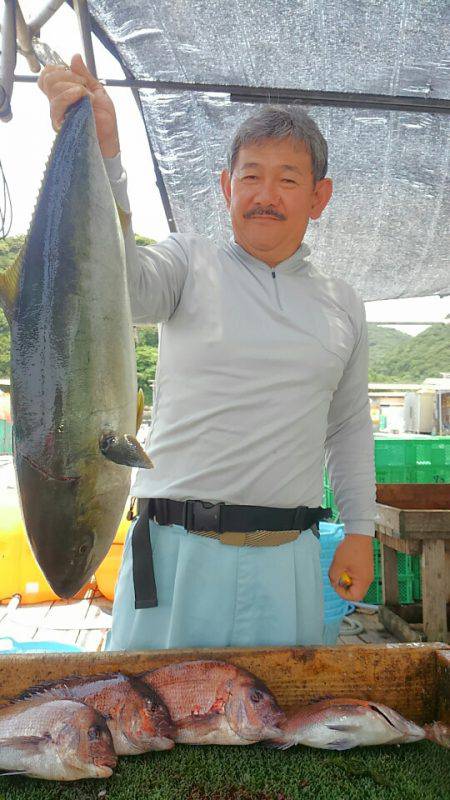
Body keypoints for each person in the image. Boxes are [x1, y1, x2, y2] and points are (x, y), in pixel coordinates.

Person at [38, 55, 375, 651]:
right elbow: (114, 281)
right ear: (226, 187)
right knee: (150, 731)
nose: (265, 195)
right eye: (250, 176)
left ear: (319, 197)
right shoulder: (184, 262)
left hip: (288, 561)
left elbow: (347, 427)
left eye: (288, 179)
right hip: (175, 555)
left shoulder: (343, 303)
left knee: (274, 735)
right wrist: (106, 151)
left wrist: (360, 530)